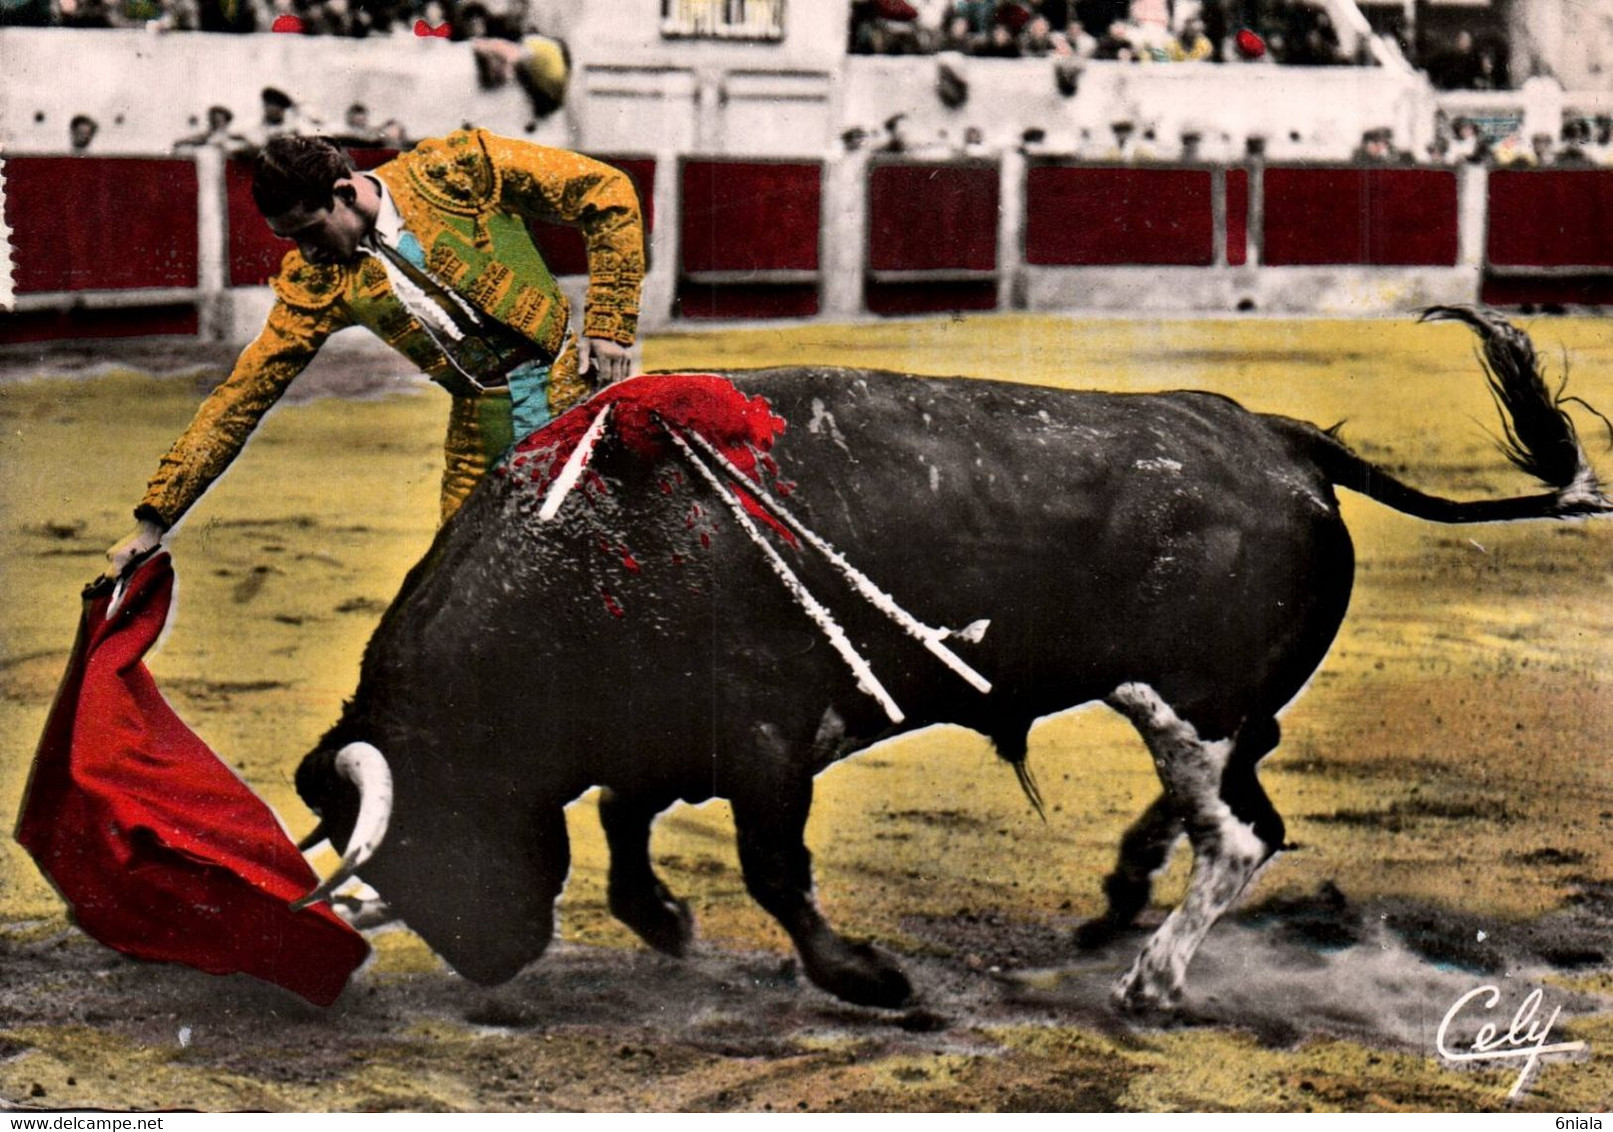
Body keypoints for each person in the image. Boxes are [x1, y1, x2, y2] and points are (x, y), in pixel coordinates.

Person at [106, 130, 645, 571]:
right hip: (479, 431)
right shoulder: (319, 283)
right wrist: (153, 522)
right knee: (460, 591)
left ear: (344, 192)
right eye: (291, 240)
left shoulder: (455, 169)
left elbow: (607, 192)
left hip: (577, 392)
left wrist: (611, 323)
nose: (308, 252)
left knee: (606, 562)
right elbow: (241, 397)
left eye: (310, 231)